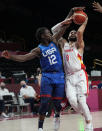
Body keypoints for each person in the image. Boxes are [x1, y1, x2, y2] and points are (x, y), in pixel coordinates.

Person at [1, 7, 84, 131]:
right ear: (42, 36)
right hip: (47, 76)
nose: (50, 34)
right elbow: (24, 58)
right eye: (47, 33)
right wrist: (11, 57)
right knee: (44, 102)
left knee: (57, 103)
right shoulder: (38, 49)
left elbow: (64, 25)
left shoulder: (55, 41)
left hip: (60, 75)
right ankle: (40, 127)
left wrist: (72, 12)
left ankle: (57, 114)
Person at [52, 14, 93, 131]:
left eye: (75, 32)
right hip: (69, 77)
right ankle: (86, 115)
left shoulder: (79, 45)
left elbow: (80, 33)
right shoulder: (63, 44)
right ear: (68, 35)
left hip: (80, 75)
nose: (73, 33)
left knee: (81, 101)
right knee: (72, 101)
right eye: (71, 32)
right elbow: (53, 32)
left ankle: (89, 123)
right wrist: (65, 22)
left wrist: (85, 21)